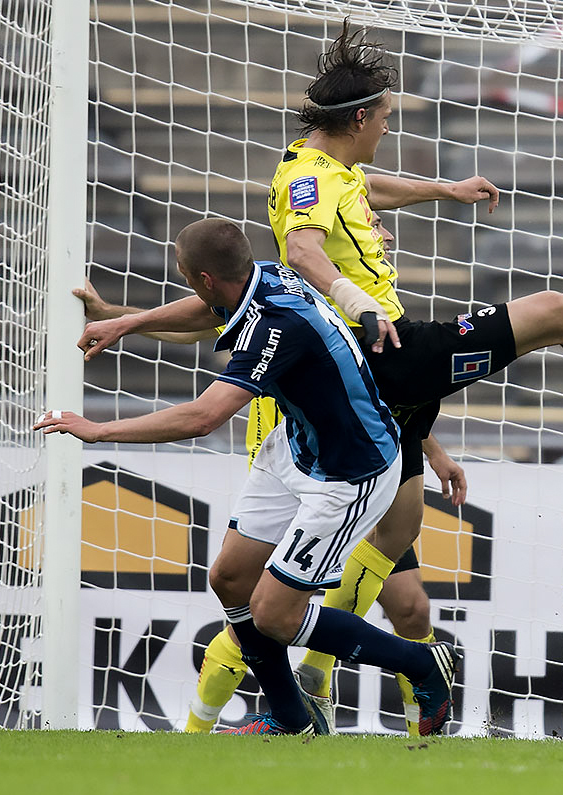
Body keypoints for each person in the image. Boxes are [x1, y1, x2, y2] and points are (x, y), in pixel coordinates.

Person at [79, 22, 563, 723]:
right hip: (374, 362)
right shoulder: (306, 183)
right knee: (558, 313)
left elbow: (358, 195)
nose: (388, 129)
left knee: (385, 541)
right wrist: (357, 300)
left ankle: (302, 694)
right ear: (360, 118)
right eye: (386, 118)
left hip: (377, 392)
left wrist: (444, 191)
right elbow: (302, 250)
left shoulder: (320, 165)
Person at [39, 219, 460, 736]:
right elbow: (207, 309)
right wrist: (125, 323)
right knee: (230, 579)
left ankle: (420, 663)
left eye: (184, 271)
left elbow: (203, 417)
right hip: (295, 446)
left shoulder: (274, 326)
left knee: (274, 615)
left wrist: (99, 431)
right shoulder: (265, 276)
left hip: (350, 471)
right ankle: (290, 718)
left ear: (202, 275)